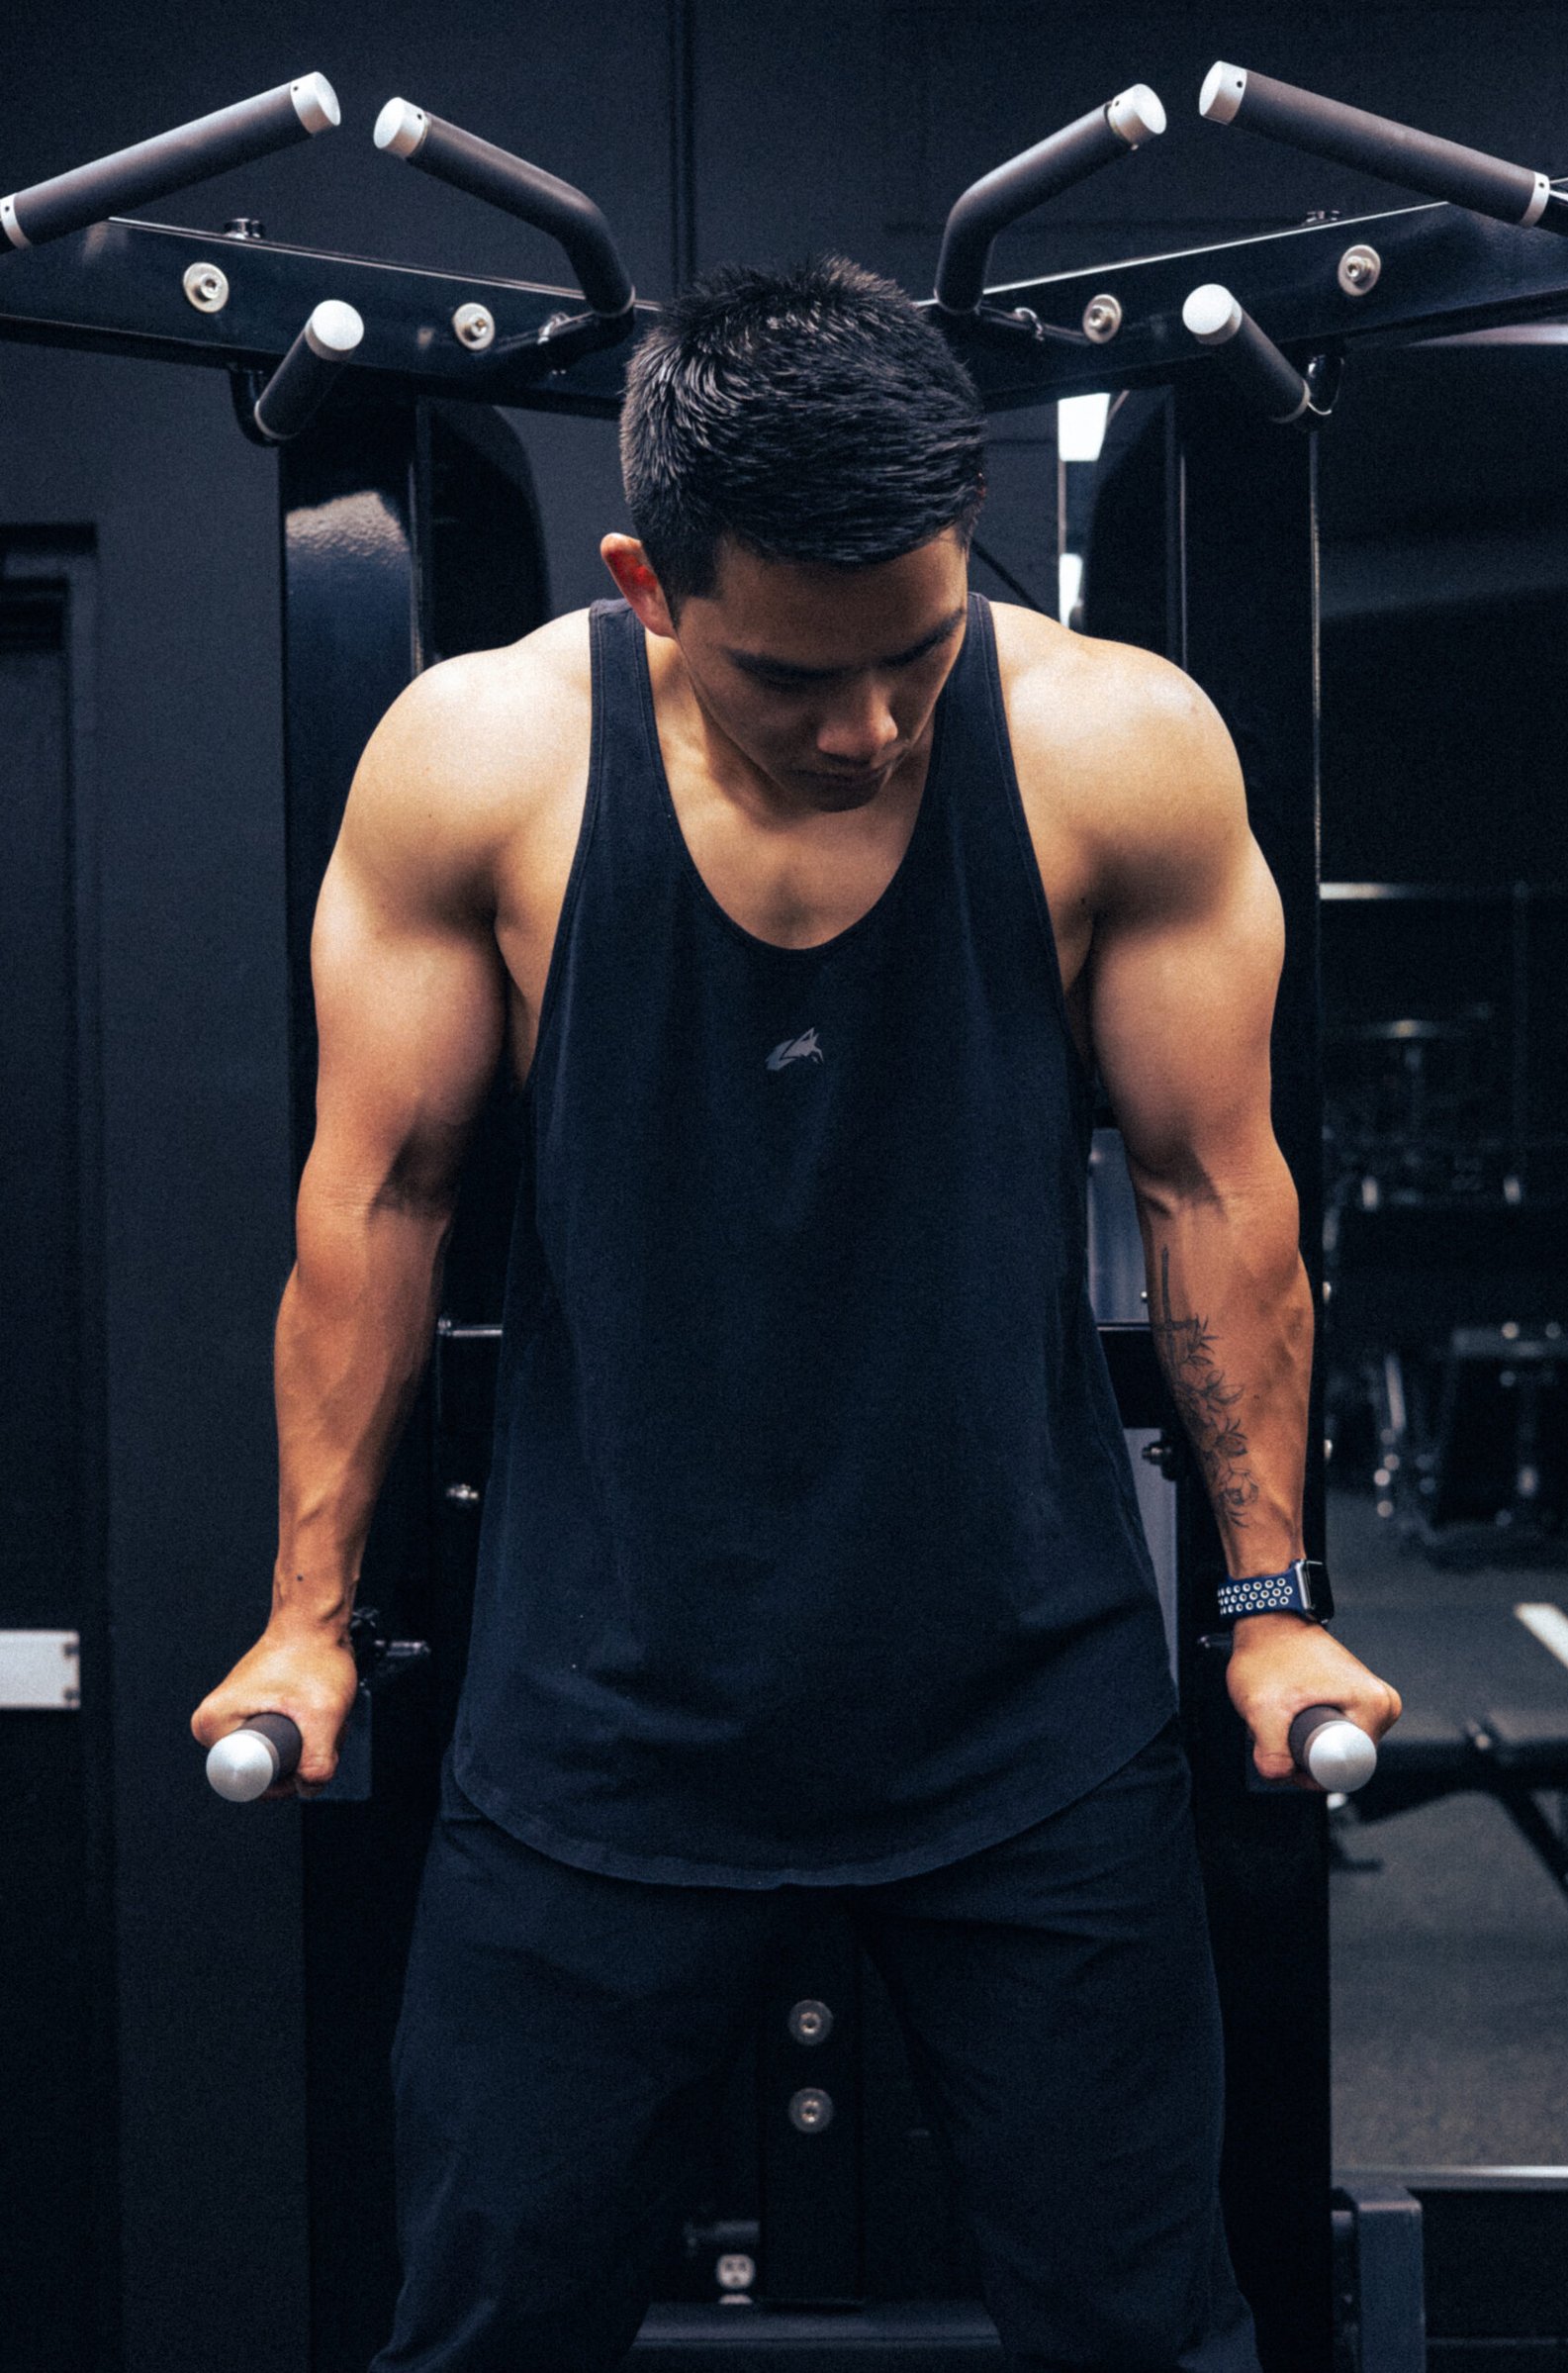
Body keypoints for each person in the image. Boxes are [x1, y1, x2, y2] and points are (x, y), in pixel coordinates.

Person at [193, 255, 1400, 2371]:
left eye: (914, 654)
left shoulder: (1114, 750)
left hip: (1021, 1709)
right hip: (601, 1717)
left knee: (1149, 2325)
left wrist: (1269, 1597)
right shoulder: (480, 764)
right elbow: (375, 1203)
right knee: (482, 2325)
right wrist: (307, 1615)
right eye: (793, 675)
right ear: (649, 585)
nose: (867, 727)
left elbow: (1217, 1193)